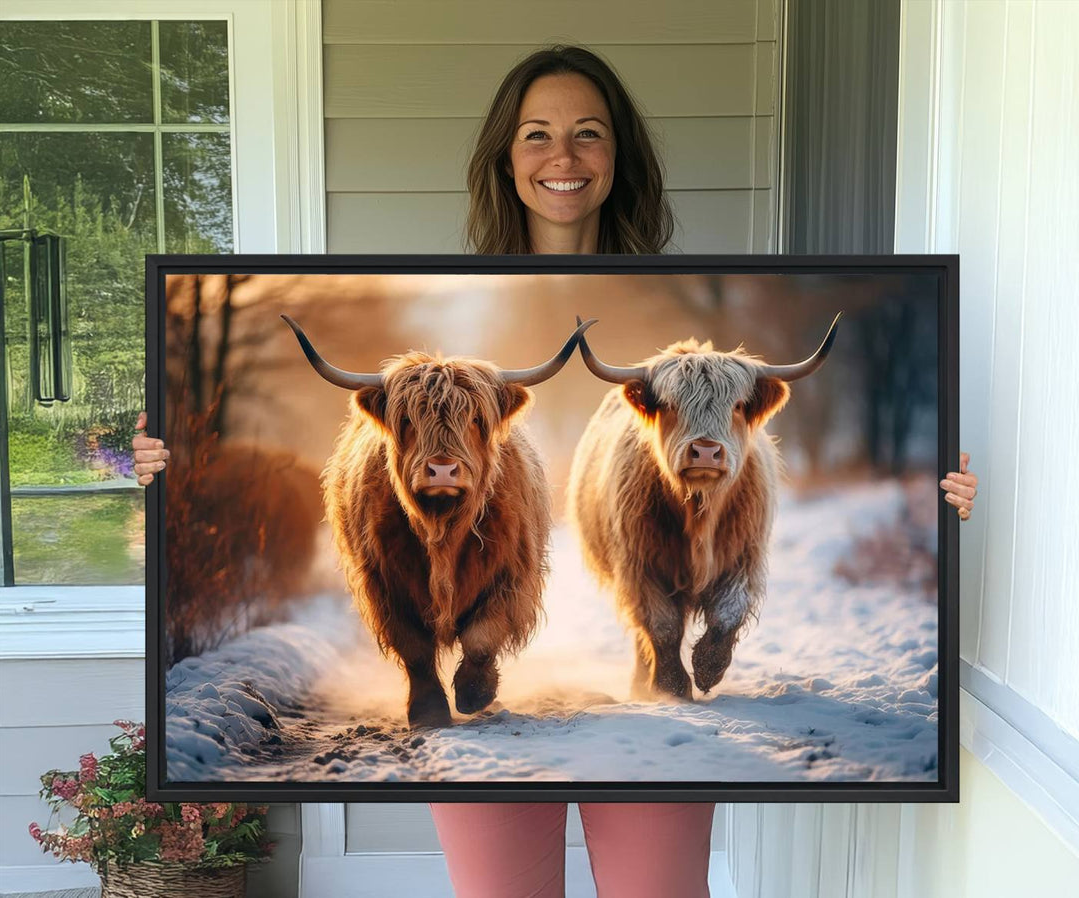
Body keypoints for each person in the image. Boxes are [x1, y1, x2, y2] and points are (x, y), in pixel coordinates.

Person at [134, 45, 979, 898]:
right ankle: (434, 671)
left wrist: (950, 499)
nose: (563, 157)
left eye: (589, 134)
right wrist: (163, 467)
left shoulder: (695, 299)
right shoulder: (435, 289)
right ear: (506, 156)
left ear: (620, 157)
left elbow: (528, 557)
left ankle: (513, 655)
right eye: (536, 135)